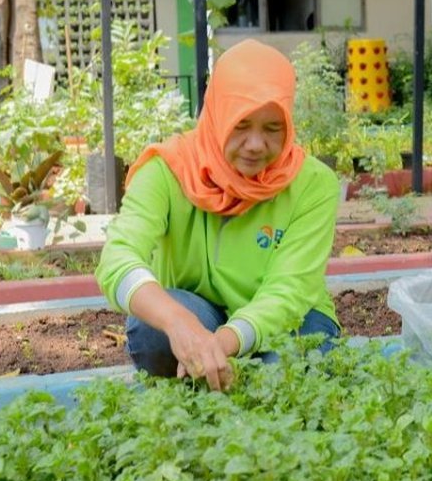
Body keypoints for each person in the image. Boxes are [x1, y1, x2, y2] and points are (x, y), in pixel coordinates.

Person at [95, 39, 341, 391]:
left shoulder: (313, 183)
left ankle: (216, 382)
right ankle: (211, 376)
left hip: (290, 320)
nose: (256, 144)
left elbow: (289, 291)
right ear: (216, 113)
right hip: (202, 316)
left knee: (287, 371)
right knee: (152, 329)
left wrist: (222, 343)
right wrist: (180, 323)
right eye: (241, 124)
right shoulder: (168, 169)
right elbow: (117, 257)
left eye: (273, 128)